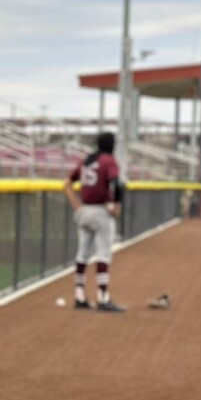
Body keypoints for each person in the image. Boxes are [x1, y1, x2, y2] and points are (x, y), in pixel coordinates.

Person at [64, 132, 125, 312]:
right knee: (103, 254)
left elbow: (67, 184)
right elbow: (117, 183)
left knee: (82, 254)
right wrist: (117, 205)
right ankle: (103, 297)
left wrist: (77, 206)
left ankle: (79, 296)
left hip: (85, 210)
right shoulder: (108, 160)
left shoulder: (87, 160)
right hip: (101, 211)